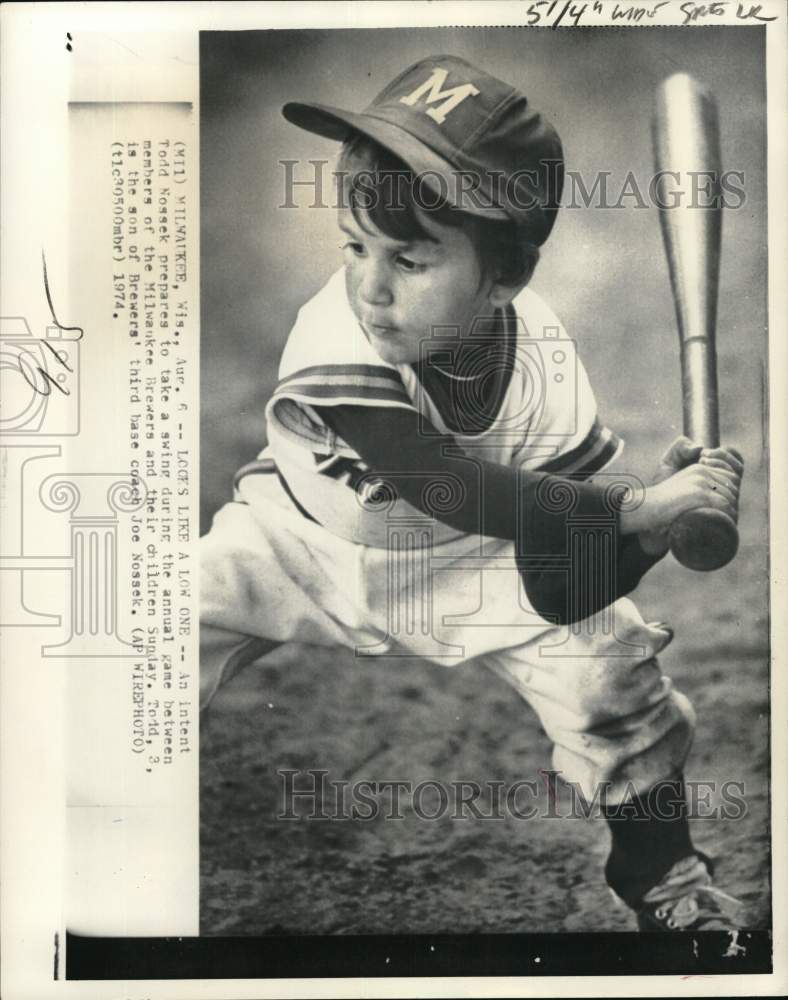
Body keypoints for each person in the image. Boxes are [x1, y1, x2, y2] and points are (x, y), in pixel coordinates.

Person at [201, 55, 745, 931]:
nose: (370, 287)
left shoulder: (543, 366)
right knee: (137, 638)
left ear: (505, 278)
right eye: (355, 246)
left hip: (474, 565)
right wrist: (640, 506)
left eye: (409, 259)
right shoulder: (333, 333)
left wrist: (653, 533)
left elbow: (559, 582)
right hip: (298, 541)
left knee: (613, 674)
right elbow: (448, 484)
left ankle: (669, 883)